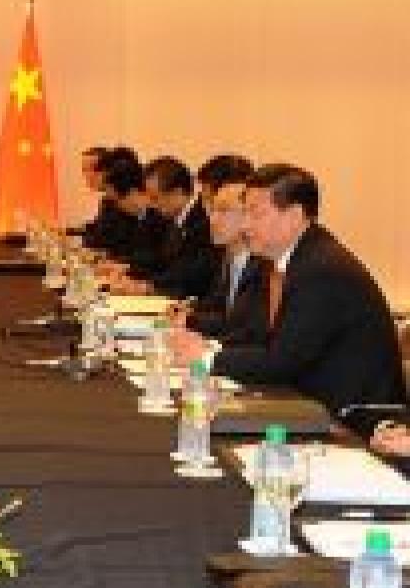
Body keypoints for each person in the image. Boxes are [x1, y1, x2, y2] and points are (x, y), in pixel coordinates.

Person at [170, 165, 407, 436]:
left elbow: (282, 361)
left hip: (354, 418)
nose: (246, 225)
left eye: (256, 214)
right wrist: (209, 346)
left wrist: (207, 357)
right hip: (308, 401)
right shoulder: (287, 260)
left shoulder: (320, 269)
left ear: (294, 216)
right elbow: (257, 334)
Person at [178, 177, 270, 345]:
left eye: (223, 210)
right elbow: (220, 310)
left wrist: (192, 325)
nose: (212, 219)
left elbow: (244, 329)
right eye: (212, 210)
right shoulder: (227, 257)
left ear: (248, 215)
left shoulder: (264, 266)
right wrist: (188, 312)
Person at [116, 156, 218, 298]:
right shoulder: (172, 217)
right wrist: (127, 270)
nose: (151, 204)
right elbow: (159, 260)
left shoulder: (202, 220)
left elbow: (191, 274)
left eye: (155, 198)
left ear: (177, 193)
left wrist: (149, 287)